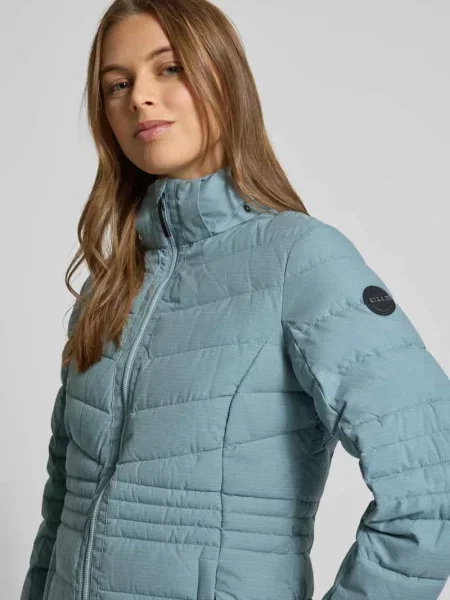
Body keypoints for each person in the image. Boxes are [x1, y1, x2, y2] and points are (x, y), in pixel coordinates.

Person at [20, 1, 450, 599]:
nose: (140, 97)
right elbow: (60, 508)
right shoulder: (108, 287)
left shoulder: (299, 260)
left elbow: (433, 487)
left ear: (223, 77)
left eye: (169, 68)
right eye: (117, 84)